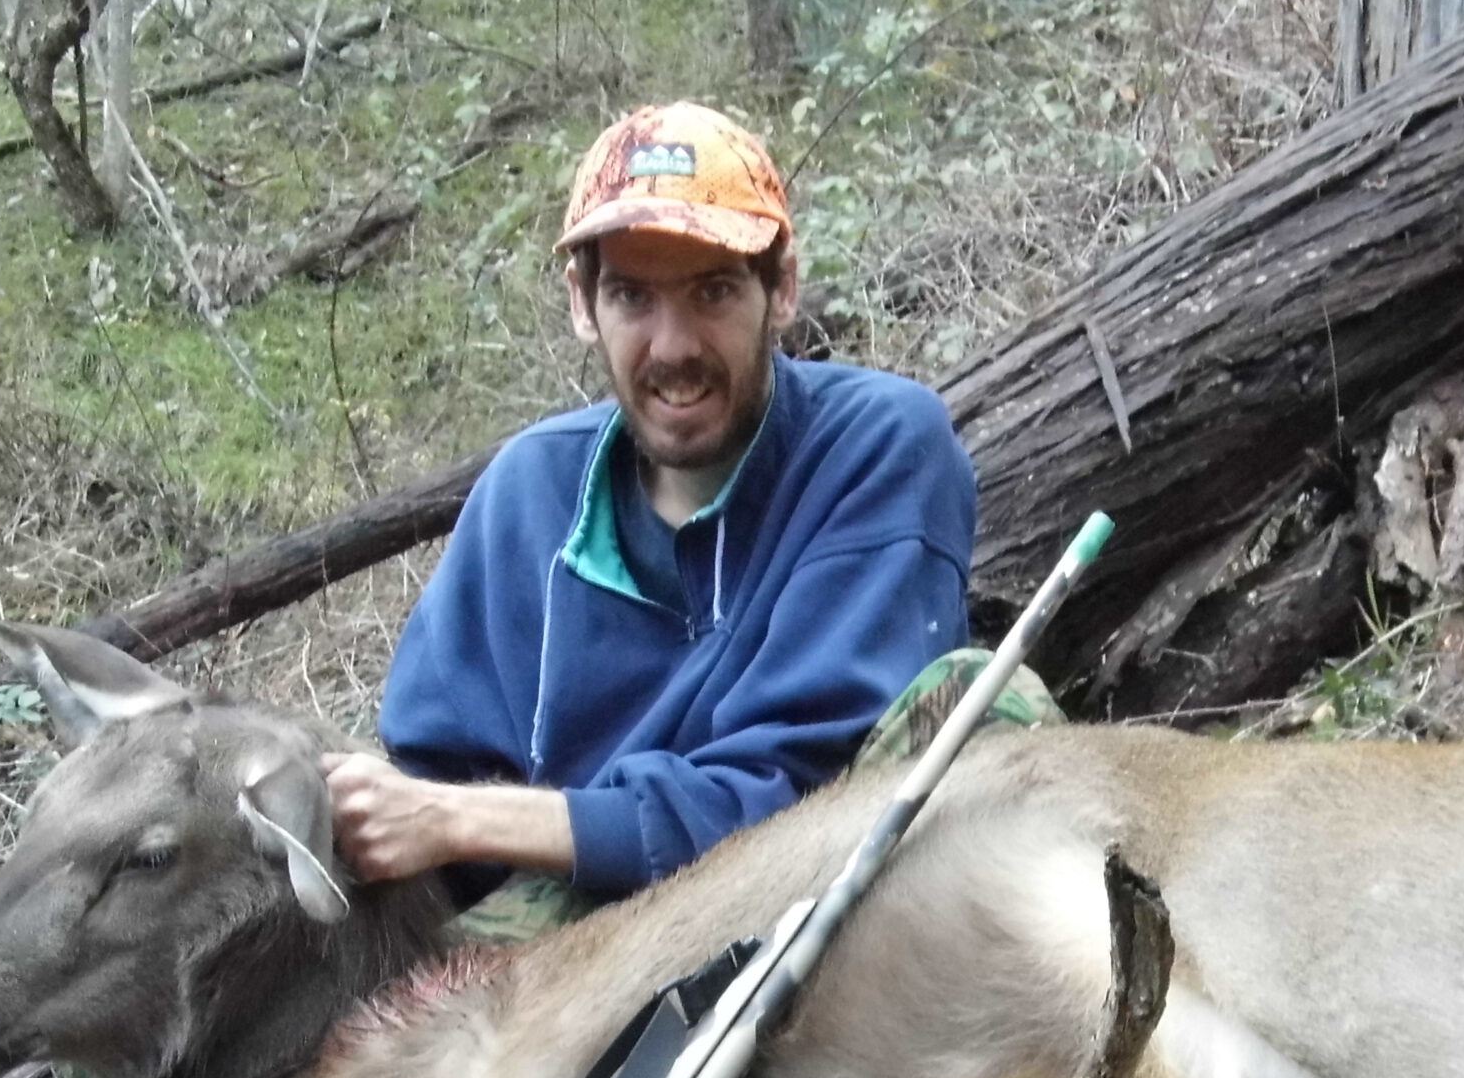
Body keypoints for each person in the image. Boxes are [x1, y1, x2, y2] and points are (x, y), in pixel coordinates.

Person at [325, 102, 992, 933]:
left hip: (823, 924)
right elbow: (427, 795)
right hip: (564, 961)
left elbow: (806, 798)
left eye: (712, 291)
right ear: (582, 304)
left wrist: (462, 820)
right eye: (632, 297)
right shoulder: (527, 496)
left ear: (780, 287)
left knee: (990, 715)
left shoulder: (876, 448)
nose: (672, 346)